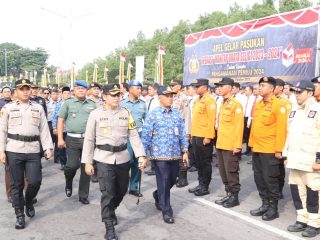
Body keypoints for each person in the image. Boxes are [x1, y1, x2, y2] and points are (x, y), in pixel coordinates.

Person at [82, 83, 146, 240]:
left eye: (118, 95)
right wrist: (87, 162)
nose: (116, 98)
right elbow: (89, 139)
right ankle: (109, 225)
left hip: (123, 157)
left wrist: (141, 155)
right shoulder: (95, 114)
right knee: (108, 192)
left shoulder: (126, 113)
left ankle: (110, 210)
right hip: (103, 158)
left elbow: (134, 135)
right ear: (104, 97)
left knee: (122, 190)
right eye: (113, 95)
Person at [0, 79, 53, 229]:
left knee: (35, 181)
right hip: (14, 149)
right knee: (16, 185)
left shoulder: (38, 108)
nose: (25, 91)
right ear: (15, 92)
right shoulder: (8, 108)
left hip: (33, 149)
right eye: (21, 89)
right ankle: (19, 214)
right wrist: (1, 150)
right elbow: (2, 130)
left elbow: (44, 129)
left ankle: (28, 200)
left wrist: (48, 147)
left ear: (30, 90)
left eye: (27, 89)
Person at [142, 85, 188, 224]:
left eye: (171, 96)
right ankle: (167, 210)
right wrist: (143, 156)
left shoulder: (176, 114)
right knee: (163, 180)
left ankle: (158, 195)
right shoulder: (153, 114)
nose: (170, 98)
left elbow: (182, 133)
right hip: (159, 155)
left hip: (174, 154)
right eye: (167, 96)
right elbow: (145, 136)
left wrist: (185, 150)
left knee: (172, 180)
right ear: (159, 97)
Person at [282, 80, 320, 238]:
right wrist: (285, 154)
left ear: (310, 93)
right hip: (294, 160)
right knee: (297, 192)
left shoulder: (318, 110)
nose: (297, 94)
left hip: (311, 162)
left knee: (313, 193)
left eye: (300, 92)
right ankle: (302, 220)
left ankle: (314, 223)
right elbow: (289, 135)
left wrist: (319, 160)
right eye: (295, 92)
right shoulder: (294, 111)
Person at [249, 76, 287, 221]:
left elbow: (282, 129)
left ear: (271, 89)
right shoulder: (258, 104)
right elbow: (255, 126)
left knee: (270, 179)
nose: (259, 88)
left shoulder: (279, 105)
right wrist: (251, 144)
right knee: (259, 178)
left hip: (270, 149)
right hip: (257, 148)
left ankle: (273, 208)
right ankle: (264, 203)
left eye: (263, 85)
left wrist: (279, 150)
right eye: (259, 85)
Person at [57, 80, 97, 204]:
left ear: (87, 91)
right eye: (78, 88)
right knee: (72, 165)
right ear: (74, 90)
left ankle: (83, 195)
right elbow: (61, 120)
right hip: (72, 139)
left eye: (83, 88)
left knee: (86, 167)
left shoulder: (92, 104)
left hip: (88, 140)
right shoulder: (68, 103)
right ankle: (69, 183)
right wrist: (60, 138)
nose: (80, 90)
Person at [214, 78, 244, 208]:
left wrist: (237, 145)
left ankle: (234, 197)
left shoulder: (235, 104)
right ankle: (228, 193)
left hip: (231, 145)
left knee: (231, 171)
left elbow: (239, 126)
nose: (219, 88)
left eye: (222, 86)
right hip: (221, 143)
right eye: (218, 86)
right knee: (223, 171)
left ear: (230, 88)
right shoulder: (223, 103)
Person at [188, 78, 216, 196]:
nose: (196, 88)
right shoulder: (197, 100)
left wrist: (208, 136)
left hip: (204, 136)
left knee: (205, 162)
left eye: (198, 86)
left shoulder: (210, 101)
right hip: (196, 135)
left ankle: (205, 186)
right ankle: (200, 184)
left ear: (205, 87)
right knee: (198, 162)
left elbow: (211, 120)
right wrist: (192, 134)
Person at [120, 80, 147, 197]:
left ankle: (134, 187)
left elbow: (148, 119)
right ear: (130, 89)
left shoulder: (142, 104)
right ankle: (122, 184)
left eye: (140, 89)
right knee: (126, 161)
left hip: (139, 135)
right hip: (126, 137)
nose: (140, 91)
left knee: (137, 162)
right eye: (137, 88)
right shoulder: (122, 103)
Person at [274, 78, 292, 198]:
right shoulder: (268, 101)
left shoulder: (286, 103)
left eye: (274, 86)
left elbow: (288, 123)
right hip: (269, 138)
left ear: (280, 88)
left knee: (278, 167)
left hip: (281, 138)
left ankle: (278, 190)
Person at [170, 79, 189, 188]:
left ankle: (183, 178)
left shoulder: (183, 98)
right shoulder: (172, 97)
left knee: (183, 154)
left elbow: (187, 116)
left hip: (181, 130)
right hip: (172, 131)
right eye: (171, 85)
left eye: (174, 85)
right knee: (175, 154)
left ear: (179, 86)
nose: (172, 87)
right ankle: (177, 175)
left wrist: (187, 132)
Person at [52, 86, 71, 170]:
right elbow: (55, 117)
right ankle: (63, 163)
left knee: (70, 147)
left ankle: (71, 162)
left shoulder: (73, 103)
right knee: (62, 146)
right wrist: (54, 127)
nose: (66, 95)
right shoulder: (59, 104)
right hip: (62, 129)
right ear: (62, 94)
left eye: (68, 93)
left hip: (71, 129)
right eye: (65, 93)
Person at [0, 86, 13, 202]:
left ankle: (27, 191)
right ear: (2, 93)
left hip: (15, 136)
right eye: (5, 91)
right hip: (3, 135)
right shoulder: (1, 104)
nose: (7, 93)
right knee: (8, 168)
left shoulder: (16, 103)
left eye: (9, 91)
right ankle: (10, 193)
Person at [46, 89, 59, 163]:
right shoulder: (47, 104)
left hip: (58, 123)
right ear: (50, 95)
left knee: (57, 141)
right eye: (53, 94)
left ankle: (57, 158)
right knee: (50, 140)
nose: (55, 95)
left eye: (56, 94)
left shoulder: (60, 103)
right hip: (49, 123)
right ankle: (47, 153)